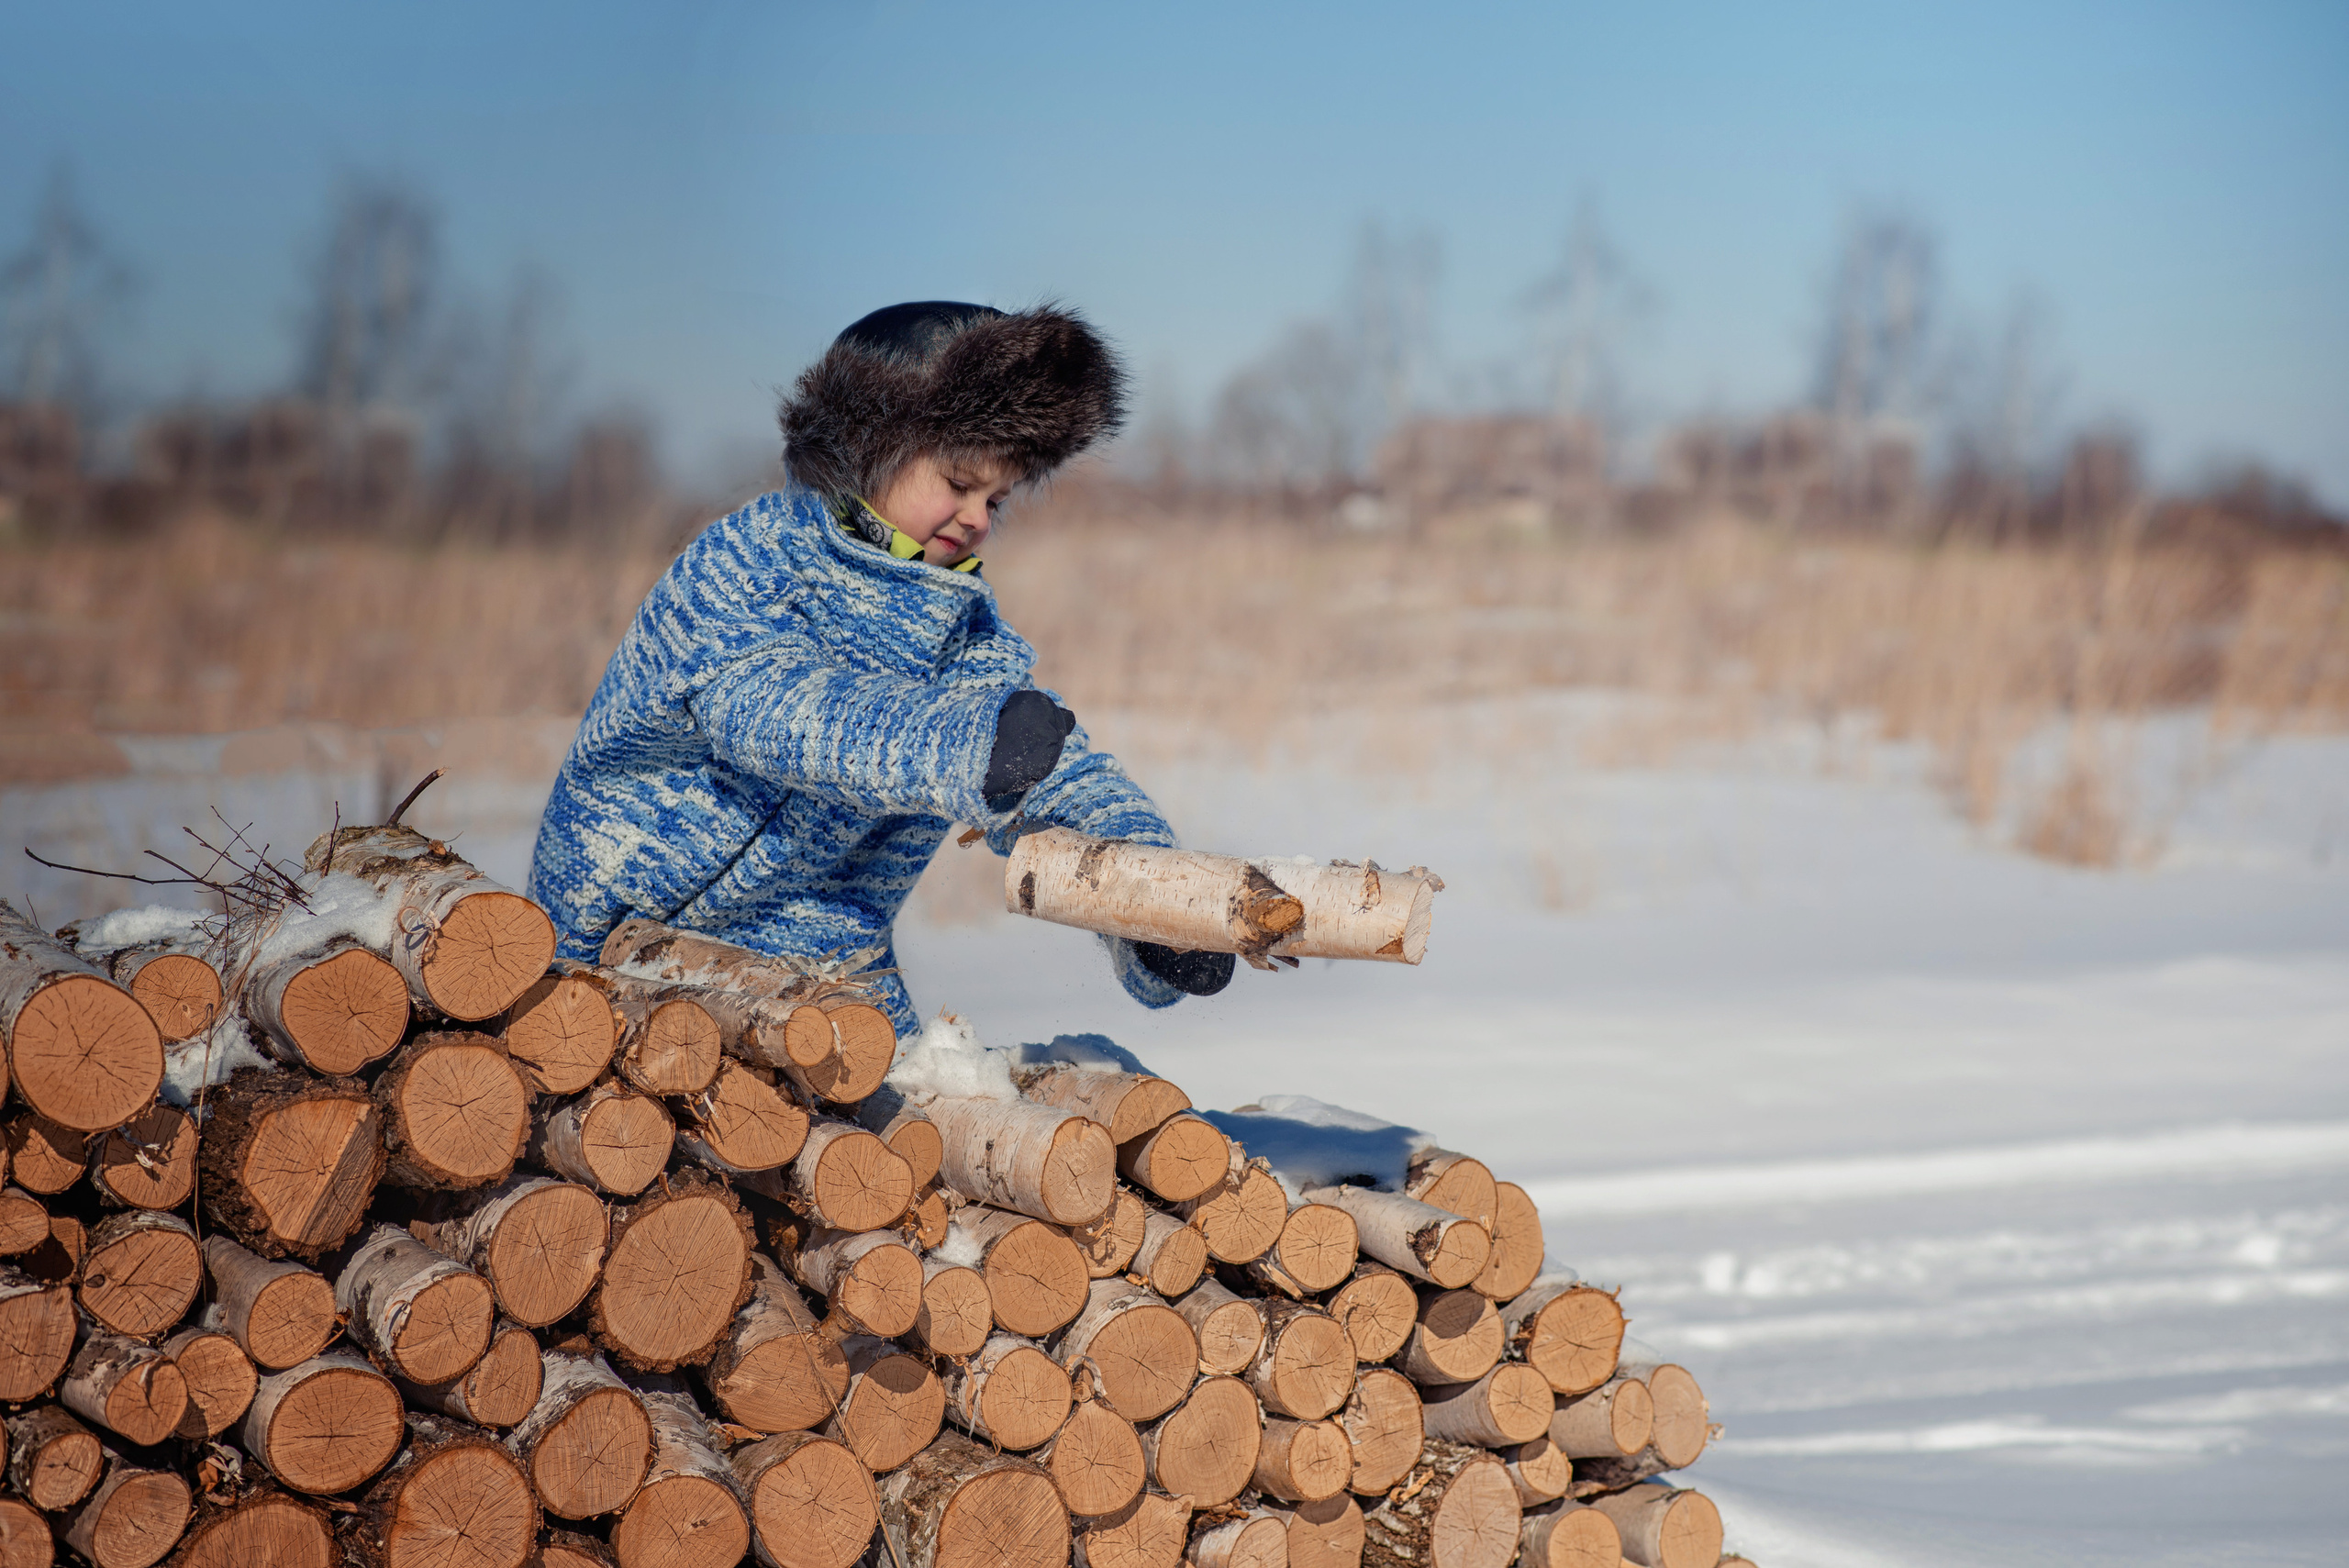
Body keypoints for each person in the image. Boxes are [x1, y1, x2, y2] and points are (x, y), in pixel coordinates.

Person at [528, 301, 1232, 1036]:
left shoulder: (966, 638)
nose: (978, 518)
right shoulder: (750, 560)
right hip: (605, 948)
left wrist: (1155, 902)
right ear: (870, 448)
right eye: (958, 482)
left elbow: (1057, 777)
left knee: (928, 1109)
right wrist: (967, 745)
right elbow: (775, 712)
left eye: (996, 499)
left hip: (827, 978)